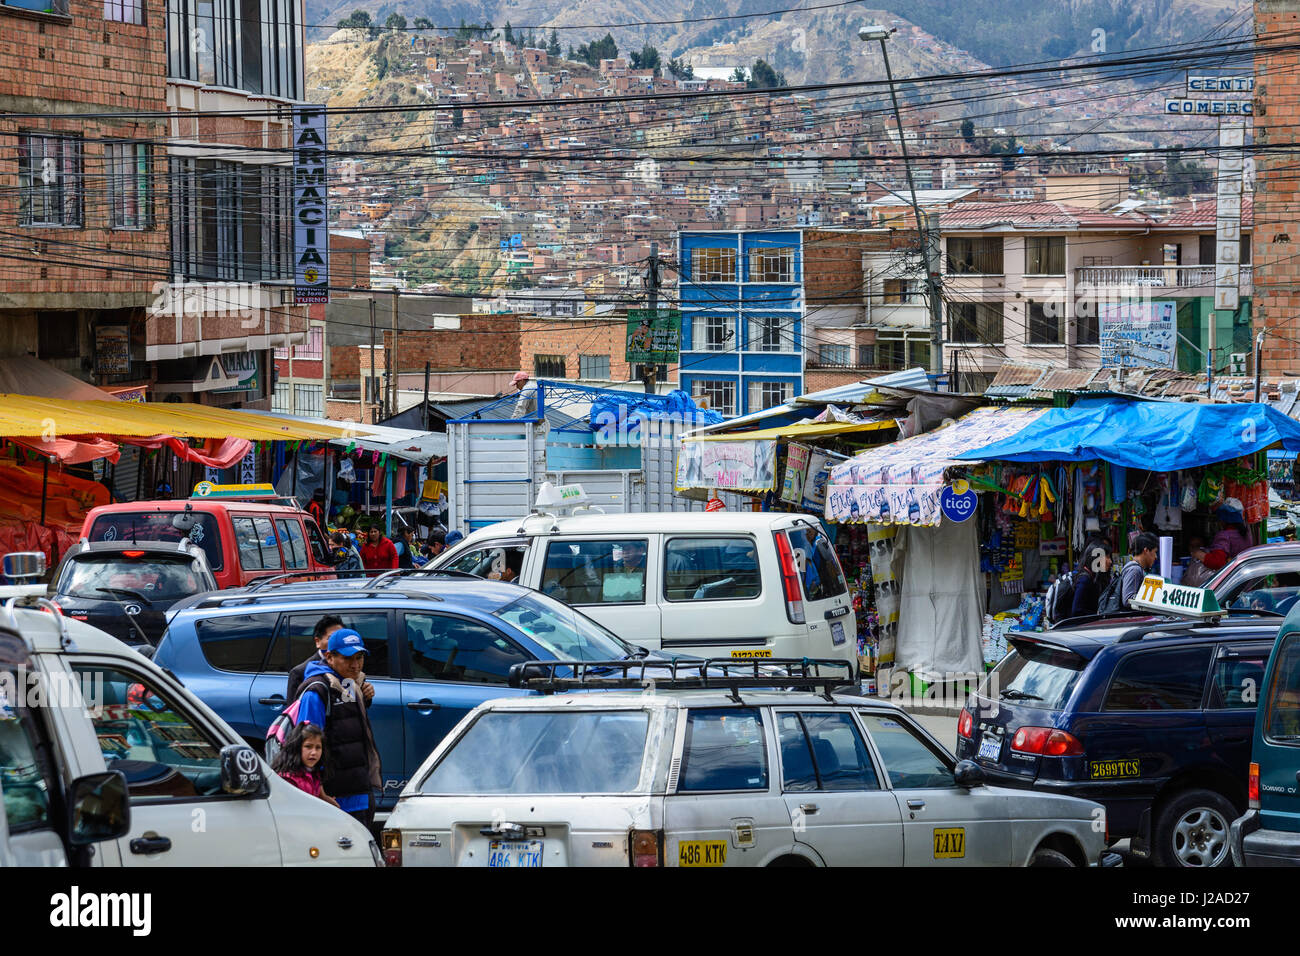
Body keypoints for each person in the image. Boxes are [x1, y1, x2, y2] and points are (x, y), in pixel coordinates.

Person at [295, 629, 382, 830]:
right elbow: (307, 747)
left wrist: (364, 698)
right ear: (329, 657)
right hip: (336, 799)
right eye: (347, 658)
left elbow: (346, 724)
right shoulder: (317, 692)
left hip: (360, 791)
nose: (355, 665)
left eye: (359, 658)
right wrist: (319, 793)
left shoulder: (349, 684)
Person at [271, 722, 340, 809]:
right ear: (297, 748)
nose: (314, 752)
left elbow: (321, 796)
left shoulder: (314, 772)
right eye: (308, 746)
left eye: (318, 747)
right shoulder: (288, 779)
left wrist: (328, 801)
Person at [288, 614, 344, 701]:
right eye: (331, 638)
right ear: (317, 641)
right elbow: (294, 711)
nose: (337, 642)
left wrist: (365, 694)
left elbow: (351, 702)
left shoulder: (349, 666)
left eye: (341, 638)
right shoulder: (299, 672)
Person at [1203, 498, 1252, 571]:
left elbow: (1217, 562)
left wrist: (1198, 553)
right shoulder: (1247, 534)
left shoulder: (1224, 535)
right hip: (1245, 576)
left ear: (1223, 519)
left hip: (1232, 579)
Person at [1115, 532, 1160, 610]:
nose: (1156, 557)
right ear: (1146, 551)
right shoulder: (1135, 570)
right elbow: (1128, 600)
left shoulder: (1138, 569)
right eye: (1155, 552)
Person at [1070, 540, 1113, 618]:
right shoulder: (1084, 580)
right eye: (1107, 557)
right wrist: (1098, 615)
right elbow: (1077, 611)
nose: (1110, 561)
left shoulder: (1092, 577)